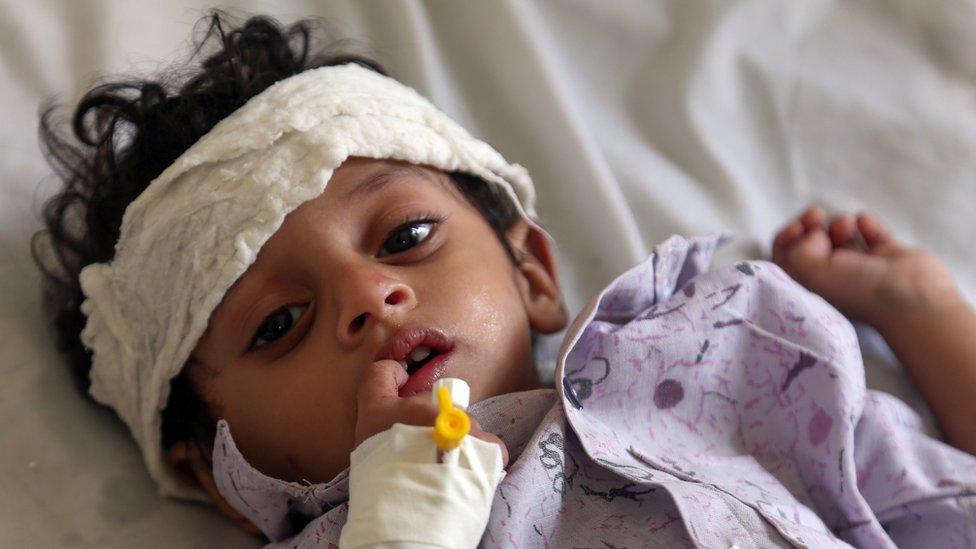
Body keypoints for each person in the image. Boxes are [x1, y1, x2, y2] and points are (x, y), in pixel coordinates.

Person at [32, 12, 975, 548]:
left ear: (531, 270)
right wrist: (403, 503)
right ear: (222, 474)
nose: (368, 299)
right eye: (279, 323)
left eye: (403, 234)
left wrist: (925, 316)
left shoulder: (712, 367)